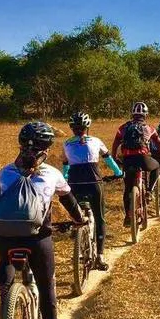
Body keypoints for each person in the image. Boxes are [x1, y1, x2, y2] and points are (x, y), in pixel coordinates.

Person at [0, 121, 85, 319]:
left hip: (4, 237)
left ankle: (5, 300)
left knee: (5, 261)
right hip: (37, 239)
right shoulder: (53, 174)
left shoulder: (5, 172)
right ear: (46, 149)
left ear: (20, 145)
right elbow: (69, 201)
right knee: (46, 283)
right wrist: (80, 220)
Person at [61, 111, 123, 271]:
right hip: (94, 183)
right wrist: (118, 173)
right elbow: (108, 159)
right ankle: (100, 256)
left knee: (76, 215)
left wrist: (64, 178)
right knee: (100, 218)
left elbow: (65, 166)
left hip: (74, 184)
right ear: (87, 127)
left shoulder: (66, 144)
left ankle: (77, 233)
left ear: (72, 128)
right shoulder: (96, 141)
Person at [111, 102, 160, 226]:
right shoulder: (149, 128)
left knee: (128, 188)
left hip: (127, 159)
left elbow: (115, 144)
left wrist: (114, 157)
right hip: (143, 158)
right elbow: (158, 143)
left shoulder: (123, 127)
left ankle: (128, 216)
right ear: (145, 115)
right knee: (156, 166)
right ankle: (149, 191)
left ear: (132, 114)